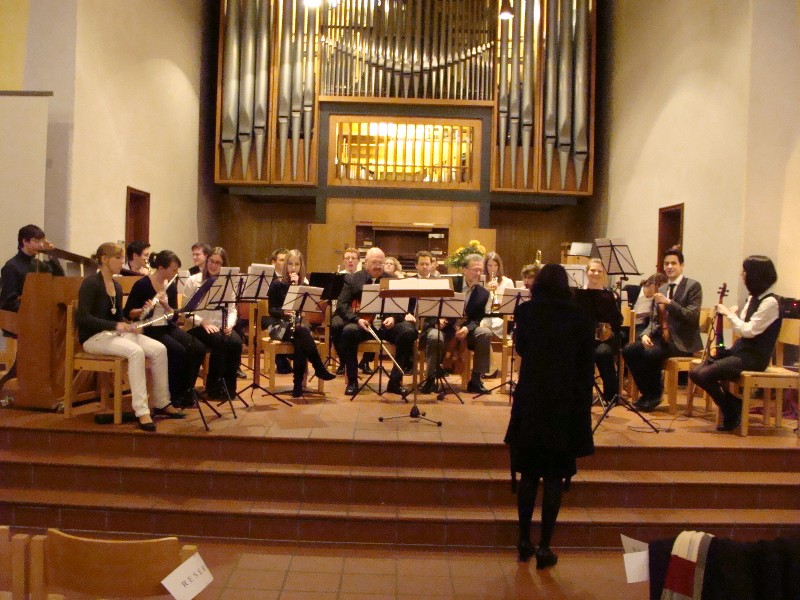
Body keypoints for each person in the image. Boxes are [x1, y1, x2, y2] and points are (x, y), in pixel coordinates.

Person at [504, 264, 594, 567]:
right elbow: (586, 361)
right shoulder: (580, 315)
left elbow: (522, 348)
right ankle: (545, 546)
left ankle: (523, 540)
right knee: (554, 477)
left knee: (529, 474)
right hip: (564, 401)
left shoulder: (526, 311)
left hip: (532, 397)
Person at [76, 242, 183, 431]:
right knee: (136, 352)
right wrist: (117, 325)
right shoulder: (91, 283)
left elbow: (118, 317)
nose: (122, 262)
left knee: (159, 349)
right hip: (93, 338)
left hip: (113, 334)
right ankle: (142, 411)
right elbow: (83, 318)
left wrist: (131, 325)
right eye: (118, 258)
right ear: (104, 259)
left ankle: (162, 402)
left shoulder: (116, 286)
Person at [689, 256, 781, 432]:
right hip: (741, 351)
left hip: (755, 357)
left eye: (745, 271)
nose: (742, 275)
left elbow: (748, 331)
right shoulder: (752, 299)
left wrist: (729, 315)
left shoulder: (770, 302)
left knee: (706, 374)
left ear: (755, 275)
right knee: (695, 372)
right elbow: (743, 327)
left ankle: (730, 409)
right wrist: (733, 314)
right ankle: (734, 404)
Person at [621, 248, 703, 412]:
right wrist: (645, 334)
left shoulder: (693, 286)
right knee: (629, 350)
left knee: (651, 353)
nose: (669, 267)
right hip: (661, 337)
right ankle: (648, 393)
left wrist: (669, 303)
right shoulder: (663, 288)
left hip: (682, 341)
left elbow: (692, 316)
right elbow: (654, 318)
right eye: (666, 264)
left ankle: (654, 395)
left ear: (682, 265)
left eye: (673, 263)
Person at [123, 250, 206, 408]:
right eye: (173, 270)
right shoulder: (142, 285)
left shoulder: (171, 286)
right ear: (161, 268)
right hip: (149, 329)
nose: (176, 273)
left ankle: (187, 390)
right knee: (178, 351)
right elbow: (128, 313)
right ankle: (173, 395)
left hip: (166, 327)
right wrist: (143, 309)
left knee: (198, 347)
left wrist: (167, 306)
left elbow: (174, 317)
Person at [333, 246, 418, 397]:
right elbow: (342, 305)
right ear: (366, 263)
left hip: (388, 326)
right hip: (364, 325)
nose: (378, 266)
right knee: (348, 331)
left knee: (409, 332)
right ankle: (352, 381)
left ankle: (395, 382)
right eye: (374, 262)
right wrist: (357, 319)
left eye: (380, 263)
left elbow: (402, 307)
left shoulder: (393, 280)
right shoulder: (352, 279)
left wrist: (394, 318)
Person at [264, 250, 336, 397]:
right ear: (285, 265)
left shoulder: (303, 285)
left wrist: (297, 288)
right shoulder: (277, 284)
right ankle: (318, 368)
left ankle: (298, 385)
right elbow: (271, 310)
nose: (293, 268)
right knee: (302, 333)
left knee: (300, 338)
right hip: (278, 325)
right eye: (290, 264)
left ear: (301, 266)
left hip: (297, 324)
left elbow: (307, 308)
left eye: (296, 264)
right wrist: (283, 312)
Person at [183, 247, 243, 399]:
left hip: (220, 325)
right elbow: (186, 311)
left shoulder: (229, 283)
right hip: (197, 326)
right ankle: (214, 386)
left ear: (224, 265)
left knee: (236, 342)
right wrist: (202, 322)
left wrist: (229, 325)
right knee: (219, 340)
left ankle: (229, 388)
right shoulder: (193, 280)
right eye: (211, 261)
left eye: (218, 263)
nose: (213, 265)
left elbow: (232, 309)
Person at [583, 258, 623, 404]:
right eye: (592, 270)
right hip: (586, 337)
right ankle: (581, 395)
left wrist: (609, 325)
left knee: (603, 352)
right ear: (587, 272)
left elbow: (618, 320)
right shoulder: (579, 294)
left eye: (599, 271)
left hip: (607, 337)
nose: (596, 273)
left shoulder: (610, 295)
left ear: (604, 274)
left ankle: (611, 396)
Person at [0, 224, 64, 313]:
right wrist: (31, 310)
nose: (41, 245)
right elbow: (8, 302)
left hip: (38, 314)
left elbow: (59, 276)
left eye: (42, 241)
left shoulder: (38, 264)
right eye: (36, 241)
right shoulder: (11, 266)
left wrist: (51, 253)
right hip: (21, 317)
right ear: (25, 241)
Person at [454, 254, 493, 394]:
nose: (478, 273)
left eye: (480, 270)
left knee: (485, 333)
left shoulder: (483, 293)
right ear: (464, 269)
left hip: (467, 330)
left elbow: (477, 319)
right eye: (475, 269)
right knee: (434, 336)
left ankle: (476, 380)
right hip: (446, 327)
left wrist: (466, 328)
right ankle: (431, 379)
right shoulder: (451, 284)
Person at [481, 252, 514, 339]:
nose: (493, 269)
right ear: (485, 266)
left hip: (500, 318)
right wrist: (487, 291)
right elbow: (478, 304)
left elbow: (510, 305)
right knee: (481, 328)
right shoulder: (481, 281)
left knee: (506, 328)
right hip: (484, 316)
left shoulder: (507, 282)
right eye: (490, 265)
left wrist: (500, 300)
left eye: (496, 265)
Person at [633, 273, 668, 338]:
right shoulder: (631, 289)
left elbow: (655, 319)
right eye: (661, 289)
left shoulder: (656, 299)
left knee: (640, 340)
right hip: (624, 324)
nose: (662, 292)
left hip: (641, 326)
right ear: (652, 286)